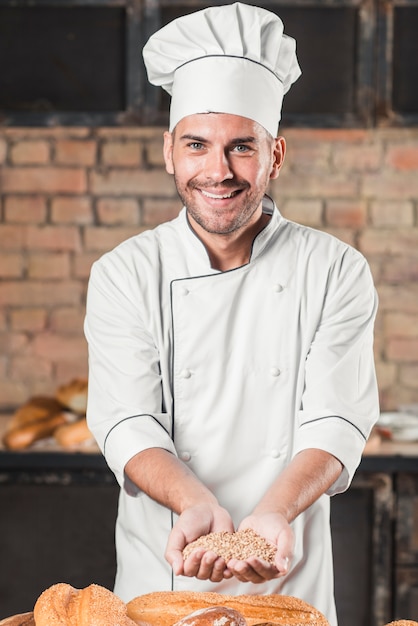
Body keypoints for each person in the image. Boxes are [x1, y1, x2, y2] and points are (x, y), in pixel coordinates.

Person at [84, 4, 379, 625]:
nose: (217, 172)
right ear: (170, 152)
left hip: (287, 580)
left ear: (275, 154)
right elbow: (127, 420)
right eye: (197, 146)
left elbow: (336, 419)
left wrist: (272, 514)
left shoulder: (335, 268)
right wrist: (194, 503)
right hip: (162, 579)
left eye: (241, 147)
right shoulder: (126, 272)